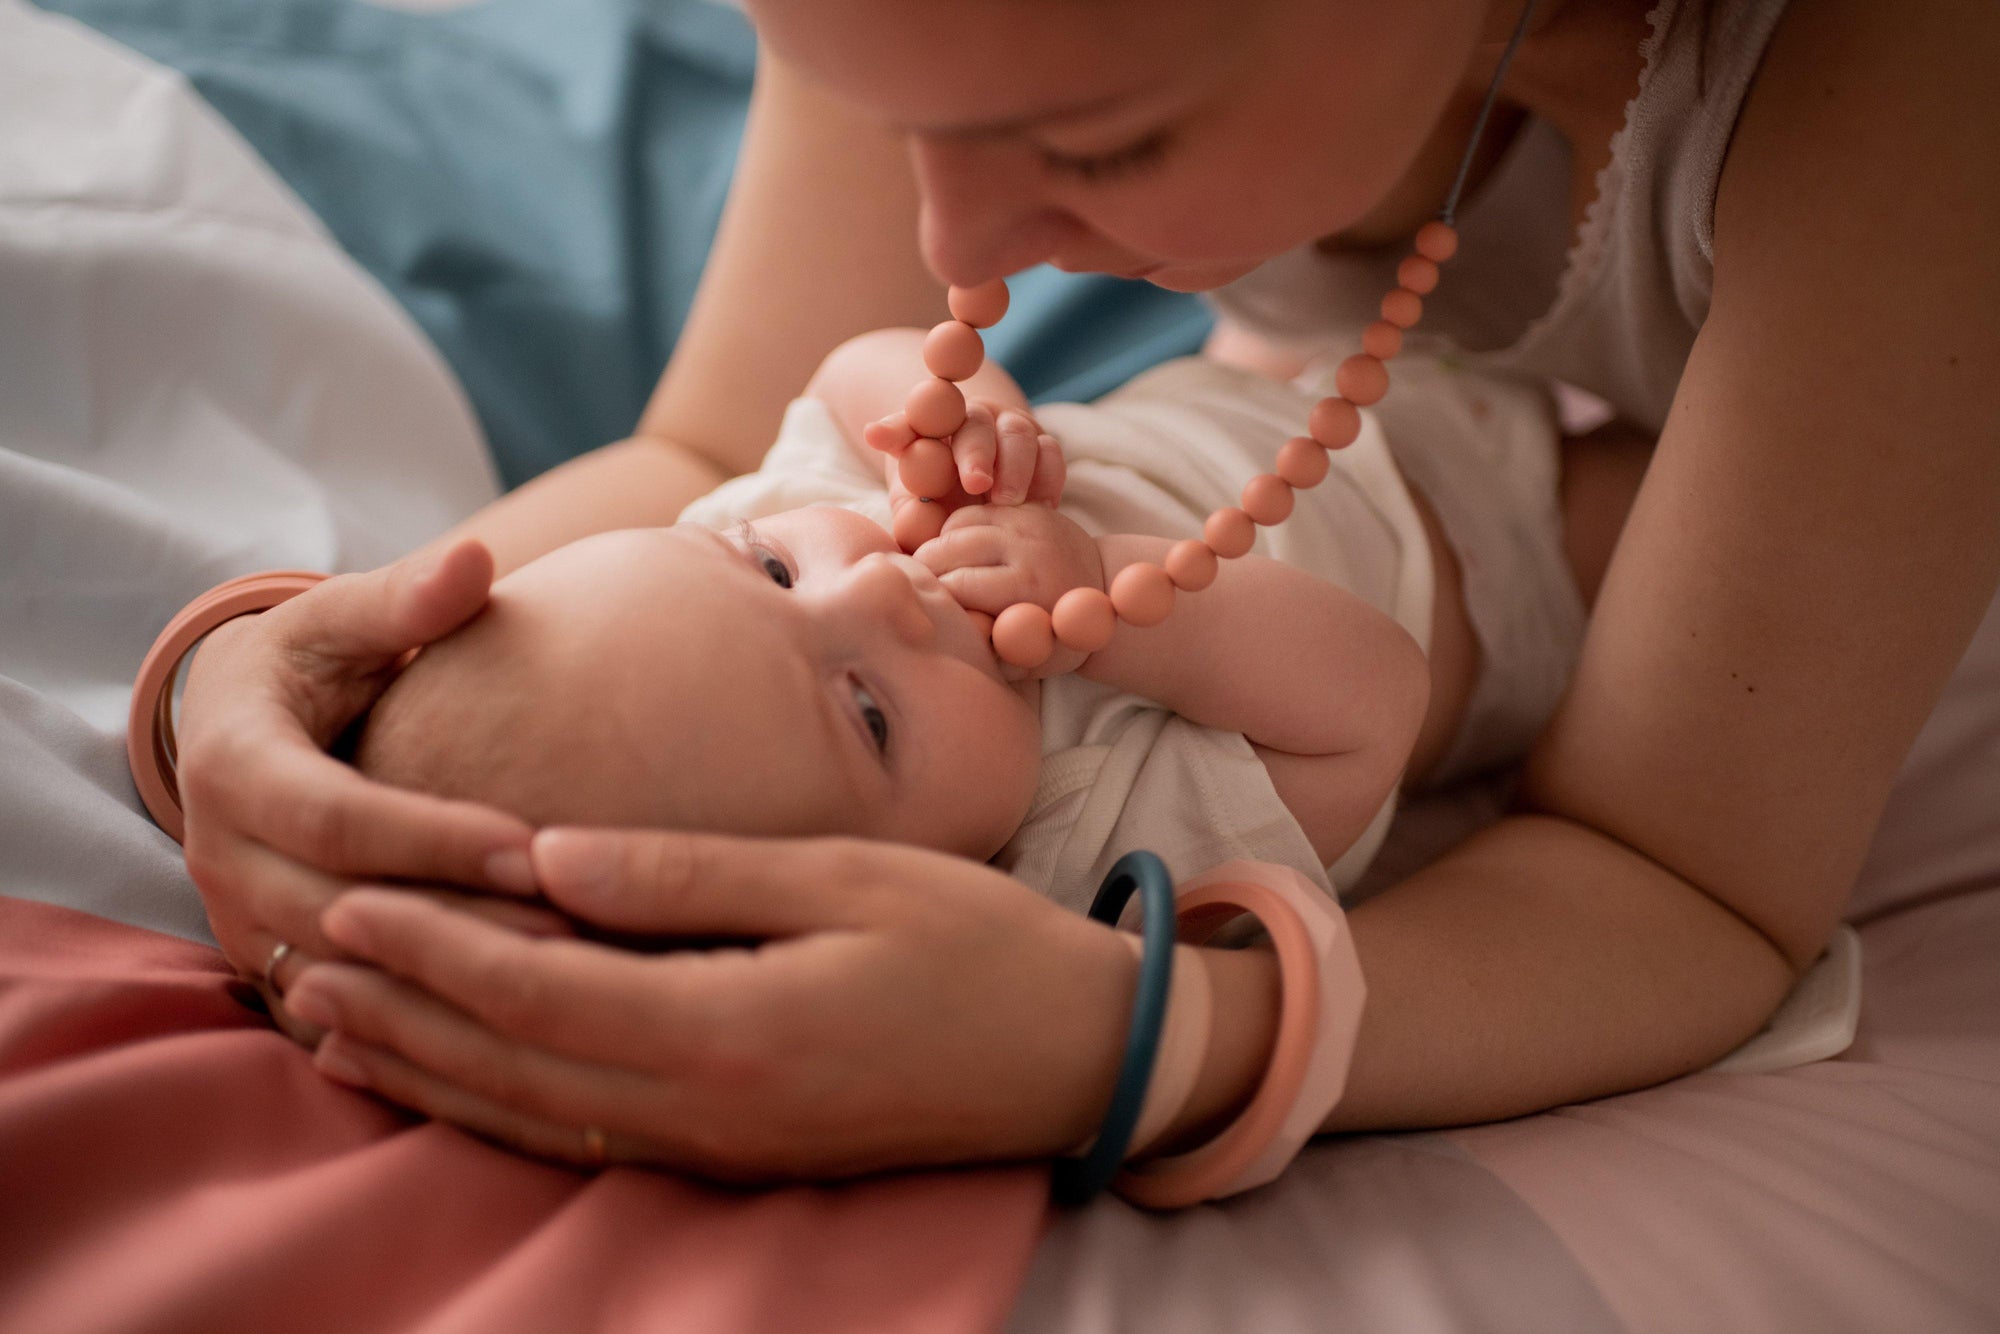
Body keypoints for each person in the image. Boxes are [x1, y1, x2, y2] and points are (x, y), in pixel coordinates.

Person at [172, 0, 1998, 1177]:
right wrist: (295, 674)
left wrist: (1122, 1038)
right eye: (883, 114)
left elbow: (1681, 876)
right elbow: (720, 451)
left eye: (1102, 143)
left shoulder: (1916, 102)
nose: (961, 252)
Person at [349, 324, 1610, 923]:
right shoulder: (1096, 858)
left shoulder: (791, 524)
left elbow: (843, 371)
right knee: (1707, 483)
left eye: (774, 573)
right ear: (909, 891)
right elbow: (1367, 703)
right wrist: (1105, 605)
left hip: (1271, 378)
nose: (876, 586)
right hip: (1501, 554)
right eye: (867, 709)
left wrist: (949, 408)